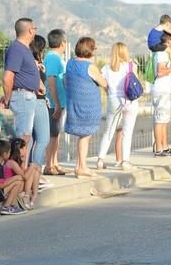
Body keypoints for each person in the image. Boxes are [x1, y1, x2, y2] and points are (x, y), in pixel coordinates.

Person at [1, 18, 42, 171]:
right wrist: (7, 97)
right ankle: (17, 175)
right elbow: (7, 77)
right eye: (35, 28)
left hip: (27, 96)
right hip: (23, 97)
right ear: (30, 30)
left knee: (25, 138)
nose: (35, 31)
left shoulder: (23, 49)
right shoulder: (17, 49)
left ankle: (21, 173)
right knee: (22, 139)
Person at [64, 37, 106, 178]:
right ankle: (82, 167)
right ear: (90, 50)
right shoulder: (90, 67)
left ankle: (78, 166)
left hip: (73, 104)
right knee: (85, 136)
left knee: (82, 136)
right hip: (88, 106)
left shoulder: (70, 63)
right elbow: (104, 83)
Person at [96, 43, 140, 171]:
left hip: (113, 100)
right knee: (127, 133)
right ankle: (125, 162)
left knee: (109, 131)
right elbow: (134, 83)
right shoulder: (131, 66)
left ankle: (100, 159)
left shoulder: (105, 68)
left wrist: (110, 93)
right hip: (130, 101)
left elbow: (104, 85)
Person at [151, 33, 171, 157]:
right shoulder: (162, 54)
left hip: (165, 89)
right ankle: (159, 149)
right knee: (159, 120)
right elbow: (160, 72)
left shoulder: (166, 53)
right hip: (161, 90)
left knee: (164, 120)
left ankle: (165, 147)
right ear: (168, 41)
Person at [43, 29, 67, 176]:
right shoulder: (53, 58)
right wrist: (56, 103)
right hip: (53, 103)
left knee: (56, 134)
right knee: (52, 135)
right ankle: (48, 165)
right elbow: (51, 81)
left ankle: (55, 162)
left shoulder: (54, 57)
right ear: (62, 42)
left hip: (58, 102)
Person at [28, 35, 50, 176]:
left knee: (31, 139)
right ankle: (36, 173)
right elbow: (39, 85)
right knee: (43, 139)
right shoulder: (34, 64)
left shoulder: (29, 62)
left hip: (29, 102)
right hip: (38, 102)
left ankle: (28, 172)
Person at [0, 139, 25, 216]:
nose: (10, 154)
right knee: (18, 182)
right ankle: (6, 207)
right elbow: (1, 185)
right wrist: (15, 178)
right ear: (4, 154)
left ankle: (13, 206)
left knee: (17, 180)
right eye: (9, 152)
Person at [7, 137, 40, 210]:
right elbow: (25, 176)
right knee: (32, 168)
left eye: (25, 149)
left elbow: (23, 173)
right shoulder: (11, 162)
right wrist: (31, 167)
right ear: (16, 150)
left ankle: (34, 195)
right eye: (23, 149)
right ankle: (27, 195)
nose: (25, 151)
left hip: (19, 184)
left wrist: (29, 165)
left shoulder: (19, 160)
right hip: (12, 187)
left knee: (35, 170)